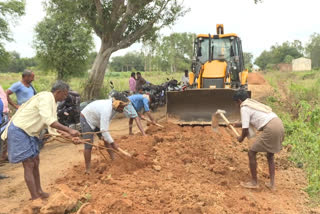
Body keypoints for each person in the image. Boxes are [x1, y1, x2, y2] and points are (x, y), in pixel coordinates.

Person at [1, 81, 80, 200]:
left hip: (29, 132)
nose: (65, 98)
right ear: (58, 92)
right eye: (64, 95)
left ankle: (39, 191)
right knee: (28, 164)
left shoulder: (51, 101)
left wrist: (68, 136)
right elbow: (50, 121)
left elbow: (50, 125)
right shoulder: (46, 98)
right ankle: (35, 198)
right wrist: (69, 130)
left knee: (35, 161)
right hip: (20, 130)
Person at [231, 90, 284, 190]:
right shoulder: (252, 104)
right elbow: (252, 121)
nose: (237, 106)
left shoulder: (244, 107)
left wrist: (241, 138)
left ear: (239, 101)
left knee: (251, 152)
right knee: (270, 155)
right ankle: (272, 184)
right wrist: (236, 124)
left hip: (271, 128)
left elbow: (245, 129)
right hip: (278, 124)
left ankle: (254, 182)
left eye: (236, 103)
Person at [81, 97, 128, 174]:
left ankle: (114, 159)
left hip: (98, 119)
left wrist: (106, 136)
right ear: (116, 104)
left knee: (106, 139)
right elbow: (104, 129)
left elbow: (105, 126)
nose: (123, 109)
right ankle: (87, 169)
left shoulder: (114, 108)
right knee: (88, 144)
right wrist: (113, 144)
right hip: (87, 118)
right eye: (122, 107)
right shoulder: (107, 109)